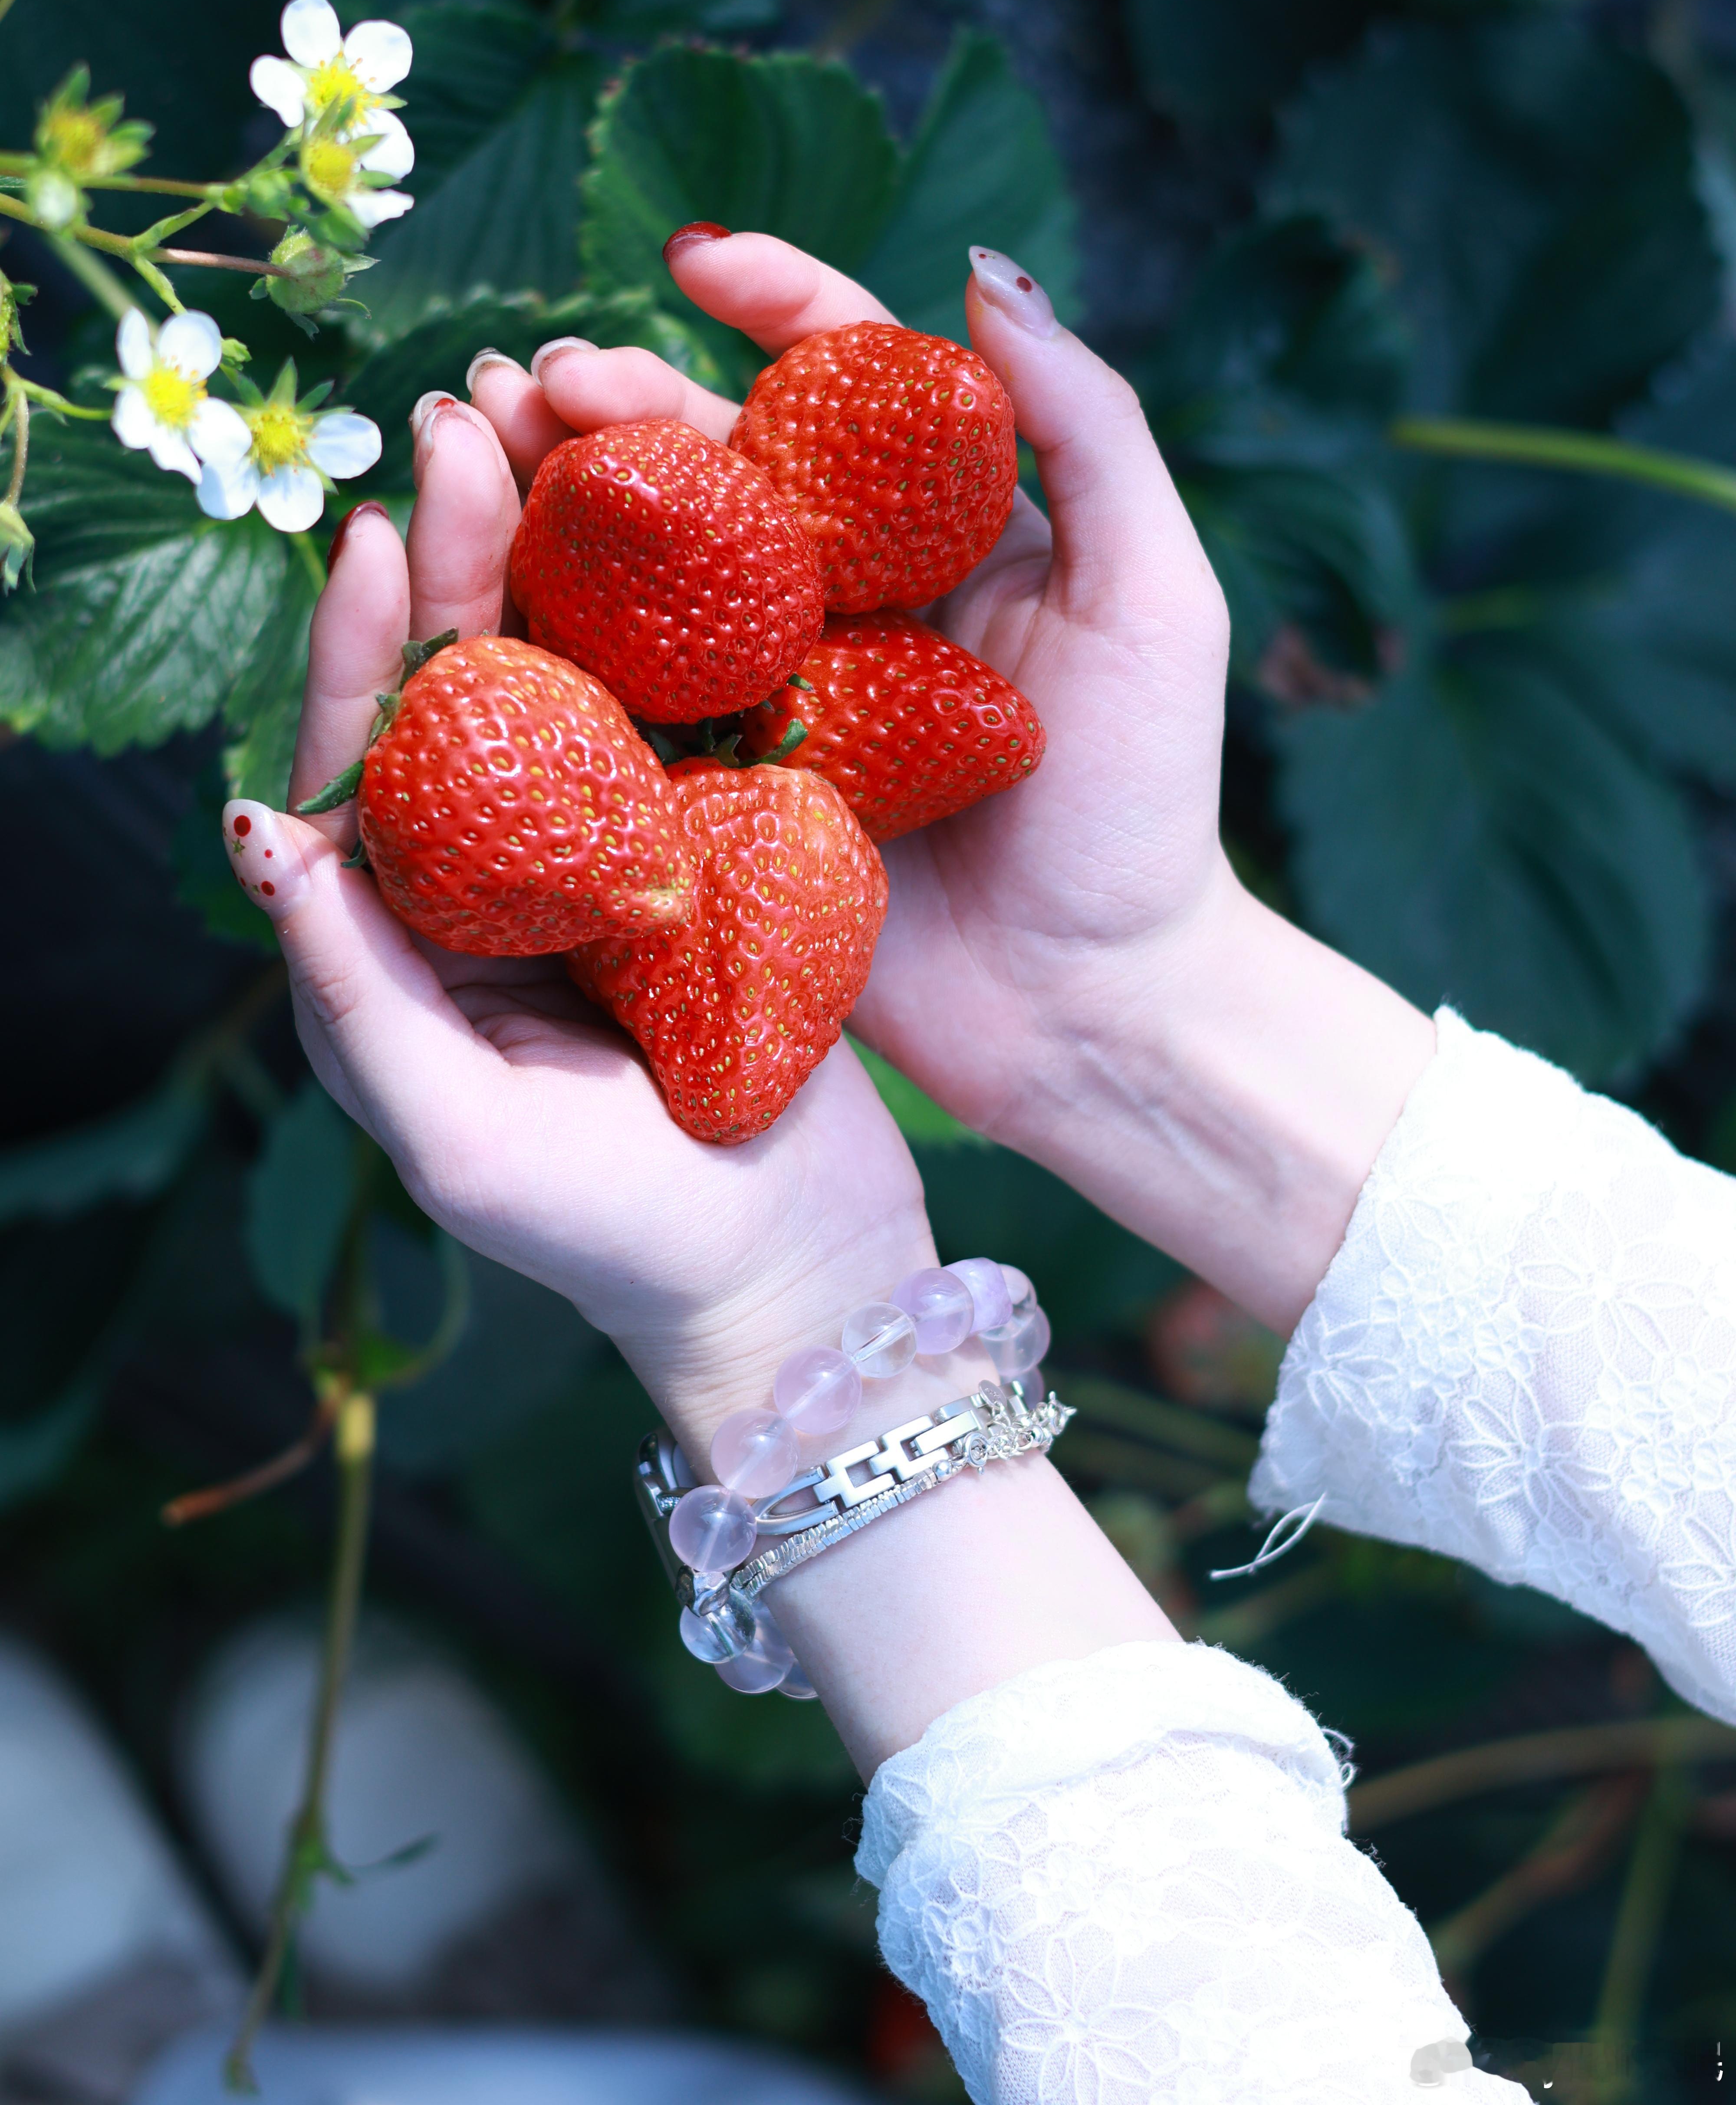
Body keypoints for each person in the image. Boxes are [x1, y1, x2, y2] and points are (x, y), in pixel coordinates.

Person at [221, 232, 1736, 2102]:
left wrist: (787, 1308)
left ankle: (189, 2047)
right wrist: (1134, 999)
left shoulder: (721, 815)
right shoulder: (745, 788)